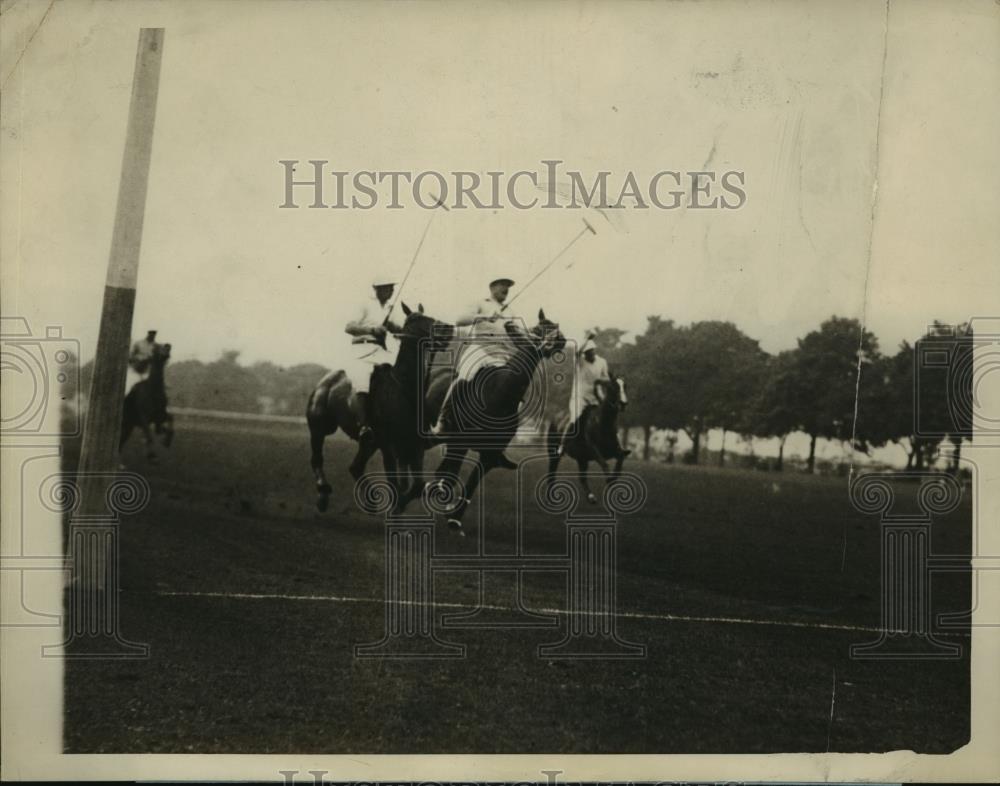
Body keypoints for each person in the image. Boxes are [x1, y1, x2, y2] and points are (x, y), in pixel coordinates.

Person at [430, 275, 521, 438]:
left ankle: (499, 438)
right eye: (502, 285)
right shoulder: (480, 303)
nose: (506, 289)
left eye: (508, 286)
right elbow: (459, 320)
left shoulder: (510, 311)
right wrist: (484, 317)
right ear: (492, 287)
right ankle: (443, 419)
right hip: (479, 349)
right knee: (464, 377)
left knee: (512, 388)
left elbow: (515, 333)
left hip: (501, 354)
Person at [344, 274, 403, 440]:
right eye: (387, 287)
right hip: (361, 350)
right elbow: (349, 327)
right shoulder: (365, 304)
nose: (391, 291)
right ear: (376, 289)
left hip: (380, 351)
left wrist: (403, 331)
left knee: (399, 375)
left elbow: (392, 327)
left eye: (392, 287)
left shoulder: (389, 308)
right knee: (363, 380)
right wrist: (371, 330)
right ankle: (364, 426)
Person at [560, 333, 611, 453]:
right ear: (585, 353)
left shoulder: (602, 362)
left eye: (592, 351)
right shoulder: (580, 361)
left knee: (608, 417)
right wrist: (587, 339)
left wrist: (600, 380)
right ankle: (562, 445)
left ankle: (613, 445)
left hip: (596, 396)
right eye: (588, 352)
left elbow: (607, 378)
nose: (591, 354)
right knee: (574, 419)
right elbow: (577, 353)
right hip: (580, 397)